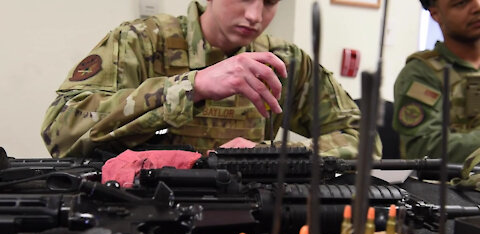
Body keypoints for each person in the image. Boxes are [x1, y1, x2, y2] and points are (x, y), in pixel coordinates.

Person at [41, 0, 381, 159]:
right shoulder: (140, 42)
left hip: (248, 222)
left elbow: (363, 139)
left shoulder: (284, 61)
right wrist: (192, 87)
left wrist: (276, 156)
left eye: (270, 2)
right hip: (143, 215)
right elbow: (61, 130)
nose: (254, 15)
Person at [393, 0, 480, 164]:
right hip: (452, 185)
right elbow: (423, 149)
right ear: (436, 14)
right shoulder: (421, 73)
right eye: (461, 3)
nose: (477, 7)